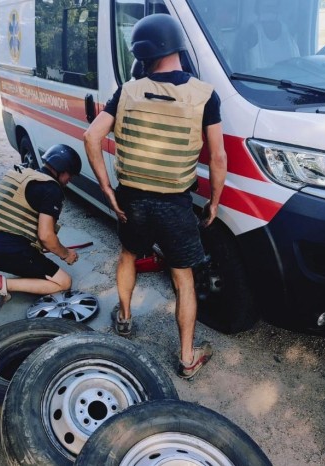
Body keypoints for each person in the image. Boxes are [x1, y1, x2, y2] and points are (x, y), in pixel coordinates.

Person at [83, 13, 227, 379]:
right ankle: (186, 357)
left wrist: (106, 189)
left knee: (129, 256)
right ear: (177, 46)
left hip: (131, 198)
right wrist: (214, 201)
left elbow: (91, 137)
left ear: (143, 54)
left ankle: (126, 318)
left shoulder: (127, 92)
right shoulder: (204, 95)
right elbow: (218, 157)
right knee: (183, 279)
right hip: (174, 203)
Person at [0, 144, 82, 310]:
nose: (70, 181)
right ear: (62, 170)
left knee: (23, 254)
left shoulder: (26, 173)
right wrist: (66, 254)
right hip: (11, 252)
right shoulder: (51, 189)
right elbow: (46, 237)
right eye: (70, 175)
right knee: (63, 282)